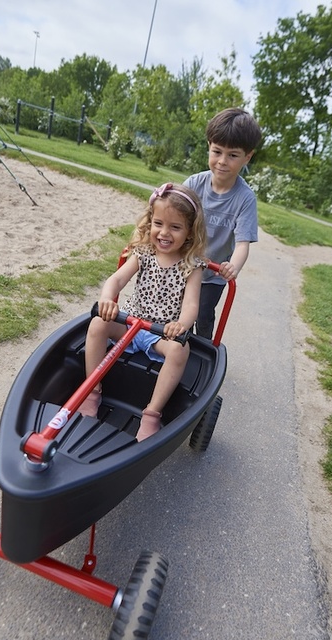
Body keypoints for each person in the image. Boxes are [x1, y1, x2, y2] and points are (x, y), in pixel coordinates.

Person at [78, 182, 208, 441]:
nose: (164, 233)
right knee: (96, 324)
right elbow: (116, 280)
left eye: (175, 227)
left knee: (180, 350)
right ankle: (91, 390)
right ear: (150, 223)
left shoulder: (192, 266)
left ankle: (152, 414)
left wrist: (180, 325)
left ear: (190, 232)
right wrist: (107, 299)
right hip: (130, 322)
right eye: (159, 224)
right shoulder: (143, 253)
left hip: (161, 335)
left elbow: (192, 305)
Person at [184, 107, 263, 338]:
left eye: (233, 155)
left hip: (212, 275)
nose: (222, 161)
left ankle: (201, 352)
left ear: (247, 157)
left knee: (203, 314)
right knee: (180, 312)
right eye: (217, 151)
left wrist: (233, 267)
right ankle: (177, 347)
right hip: (185, 266)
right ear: (209, 146)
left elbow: (242, 244)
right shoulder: (194, 184)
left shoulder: (244, 198)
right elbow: (173, 215)